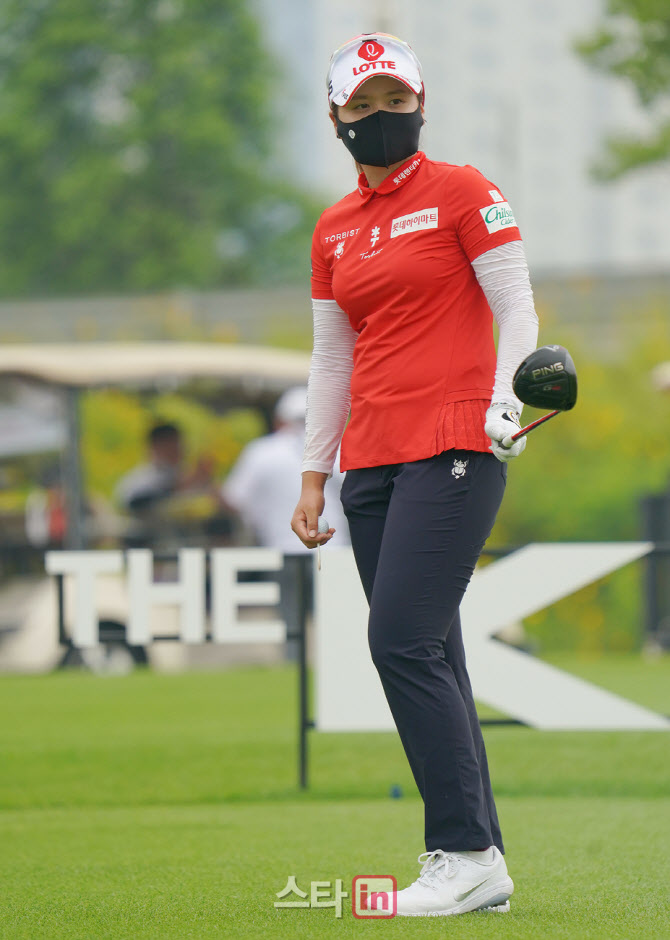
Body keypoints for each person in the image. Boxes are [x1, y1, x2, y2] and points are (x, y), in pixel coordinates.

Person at [291, 33, 539, 917]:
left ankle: (463, 852)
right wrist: (315, 474)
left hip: (457, 444)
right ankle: (481, 860)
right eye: (362, 105)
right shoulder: (332, 229)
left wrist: (506, 403)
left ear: (421, 104)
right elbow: (332, 359)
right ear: (336, 119)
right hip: (371, 465)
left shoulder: (464, 191)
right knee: (434, 650)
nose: (381, 116)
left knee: (399, 641)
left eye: (395, 101)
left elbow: (516, 306)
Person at [223, 387, 349, 657]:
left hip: (283, 549)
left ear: (280, 419)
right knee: (336, 627)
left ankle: (295, 669)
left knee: (292, 625)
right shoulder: (339, 449)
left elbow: (234, 499)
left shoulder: (261, 451)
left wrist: (257, 519)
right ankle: (336, 671)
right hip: (333, 549)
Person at [117, 422, 216, 514]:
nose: (178, 450)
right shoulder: (140, 478)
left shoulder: (182, 475)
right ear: (155, 447)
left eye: (178, 444)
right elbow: (136, 502)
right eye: (171, 445)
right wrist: (183, 486)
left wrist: (205, 482)